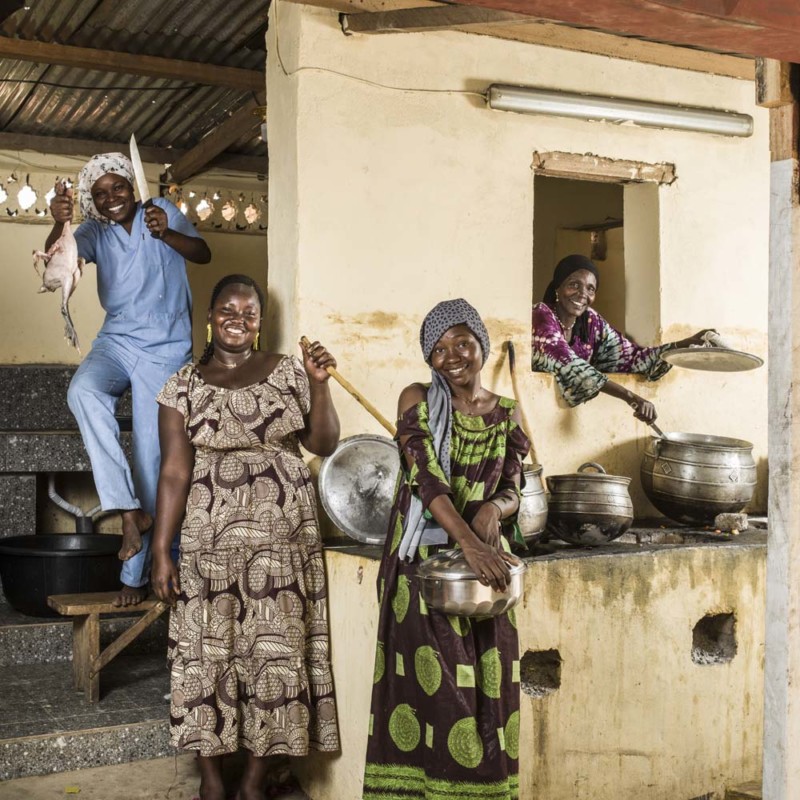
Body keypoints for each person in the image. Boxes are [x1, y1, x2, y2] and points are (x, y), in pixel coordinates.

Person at [151, 274, 341, 800]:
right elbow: (172, 473)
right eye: (227, 310)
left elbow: (324, 442)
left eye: (250, 312)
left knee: (273, 657)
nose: (239, 319)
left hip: (282, 541)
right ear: (209, 318)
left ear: (260, 321)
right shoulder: (180, 385)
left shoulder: (287, 372)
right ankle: (213, 779)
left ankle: (255, 779)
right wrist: (160, 551)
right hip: (207, 542)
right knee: (203, 656)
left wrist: (319, 382)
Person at [363, 298, 529, 800]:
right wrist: (470, 546)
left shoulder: (506, 414)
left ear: (480, 343)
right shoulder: (415, 398)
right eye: (438, 350)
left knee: (489, 698)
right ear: (429, 361)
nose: (452, 356)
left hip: (485, 573)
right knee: (434, 697)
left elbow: (516, 487)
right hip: (421, 570)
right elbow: (425, 479)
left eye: (462, 342)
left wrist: (494, 511)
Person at [46, 153, 211, 606]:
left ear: (132, 187)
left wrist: (168, 232)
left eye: (117, 188)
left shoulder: (162, 211)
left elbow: (203, 253)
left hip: (165, 348)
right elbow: (58, 264)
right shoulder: (93, 232)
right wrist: (56, 223)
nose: (110, 198)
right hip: (116, 341)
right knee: (82, 390)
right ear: (92, 203)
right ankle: (127, 509)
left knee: (150, 458)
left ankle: (134, 577)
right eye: (99, 194)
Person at [532, 254, 712, 422]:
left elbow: (632, 357)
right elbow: (569, 364)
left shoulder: (590, 321)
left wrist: (684, 345)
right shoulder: (540, 315)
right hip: (535, 412)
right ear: (558, 287)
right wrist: (630, 397)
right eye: (574, 285)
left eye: (590, 288)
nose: (582, 294)